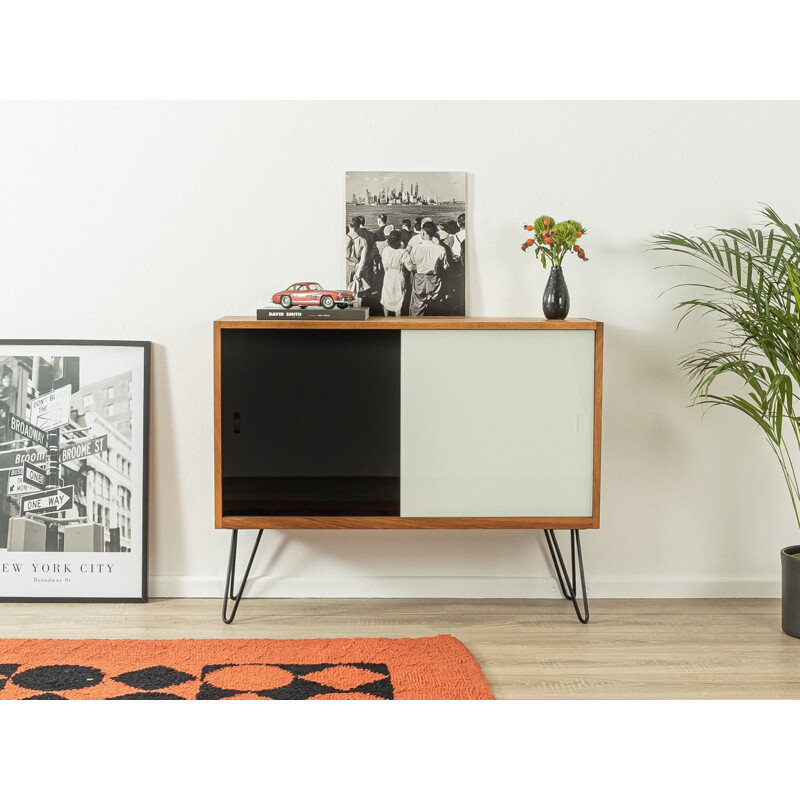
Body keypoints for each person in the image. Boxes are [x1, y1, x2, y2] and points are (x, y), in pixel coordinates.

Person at [408, 221, 447, 316]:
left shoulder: (416, 248)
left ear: (423, 232)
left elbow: (413, 264)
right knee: (435, 305)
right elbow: (444, 267)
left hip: (420, 278)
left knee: (416, 306)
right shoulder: (440, 249)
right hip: (434, 279)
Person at [380, 229, 411, 316]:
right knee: (398, 300)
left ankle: (386, 319)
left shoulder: (386, 250)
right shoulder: (403, 252)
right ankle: (398, 322)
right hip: (398, 275)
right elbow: (409, 267)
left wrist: (387, 275)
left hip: (388, 274)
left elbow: (384, 266)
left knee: (386, 299)